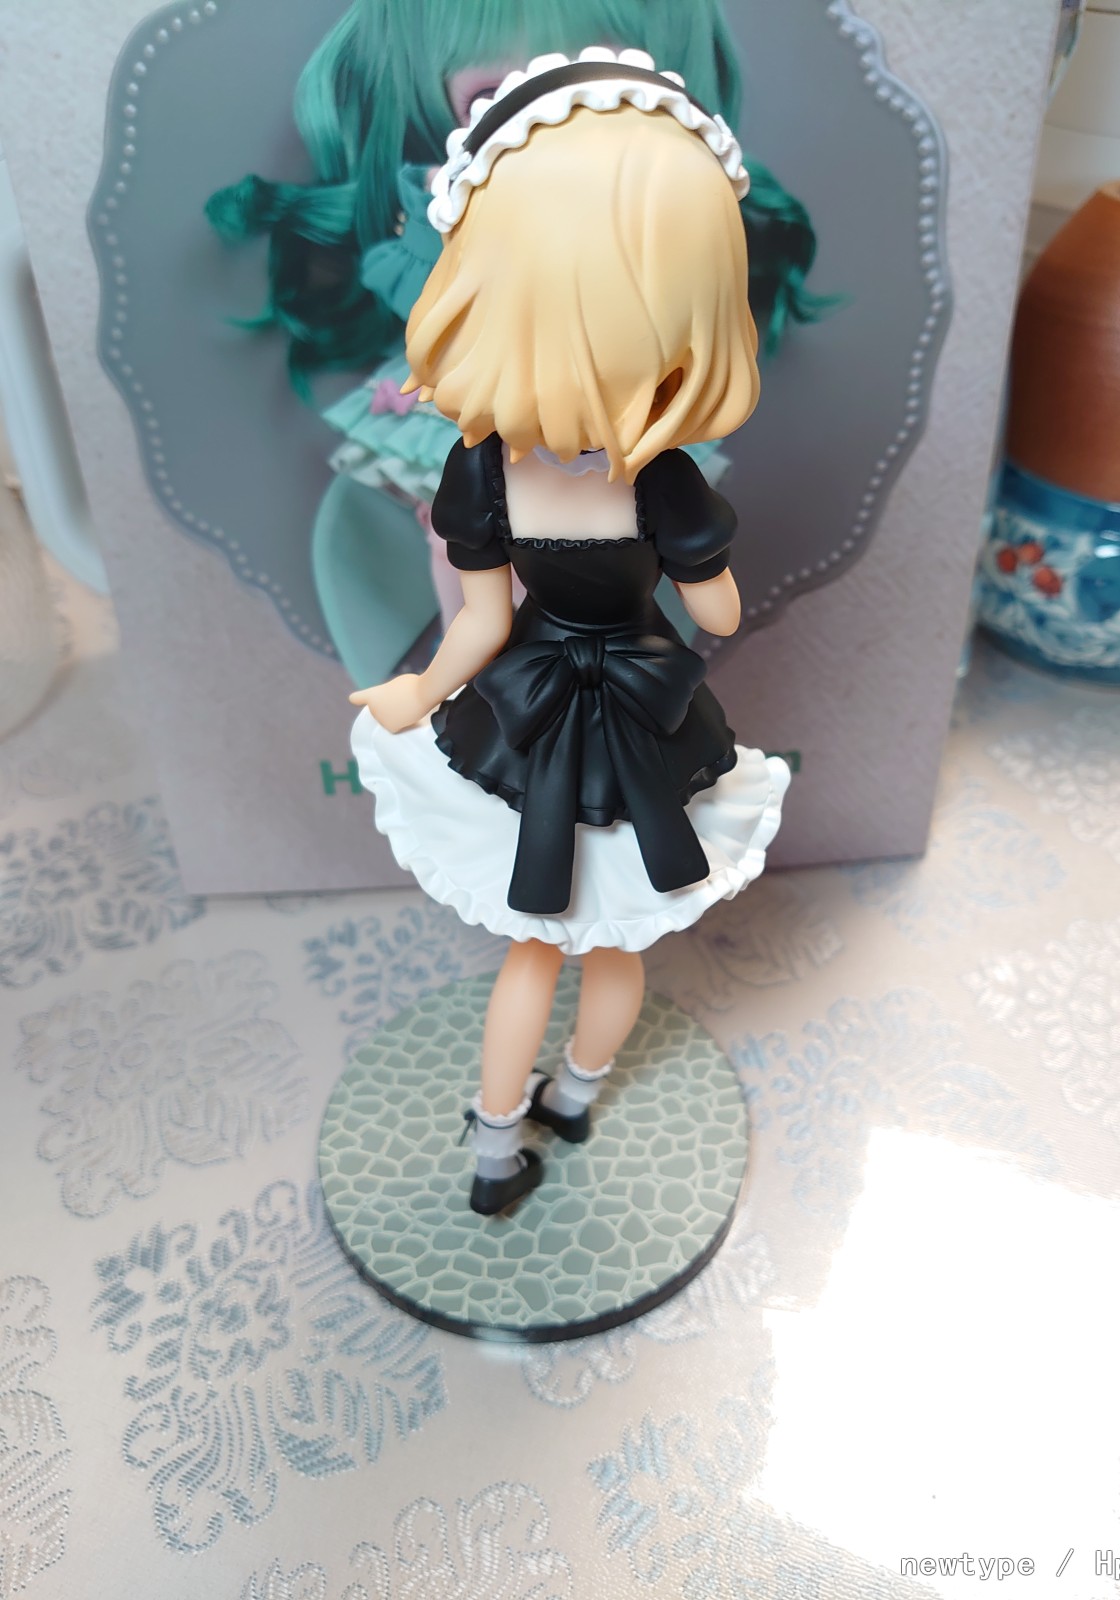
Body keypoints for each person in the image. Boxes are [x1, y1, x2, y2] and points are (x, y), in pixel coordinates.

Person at [349, 49, 791, 1216]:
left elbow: (482, 622)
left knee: (533, 947)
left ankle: (496, 1150)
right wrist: (703, 569)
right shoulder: (666, 479)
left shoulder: (487, 470)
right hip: (640, 716)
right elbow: (717, 612)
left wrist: (413, 693)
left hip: (531, 714)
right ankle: (578, 1093)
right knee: (615, 945)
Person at [206, 1, 825, 677]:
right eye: (492, 92)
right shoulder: (456, 191)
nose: (538, 103)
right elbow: (414, 291)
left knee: (578, 543)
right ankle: (470, 665)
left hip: (597, 406)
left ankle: (554, 658)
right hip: (488, 400)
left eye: (588, 79)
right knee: (459, 542)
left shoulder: (646, 194)